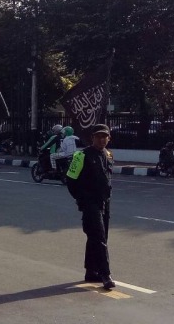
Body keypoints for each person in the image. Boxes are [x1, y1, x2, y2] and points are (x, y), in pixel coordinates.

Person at [66, 124, 116, 290]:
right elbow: (71, 180)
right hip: (90, 203)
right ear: (92, 138)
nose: (102, 139)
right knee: (99, 237)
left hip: (104, 202)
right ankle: (105, 274)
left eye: (105, 136)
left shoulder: (108, 155)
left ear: (109, 138)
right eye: (98, 136)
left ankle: (91, 271)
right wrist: (82, 199)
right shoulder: (81, 155)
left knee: (98, 237)